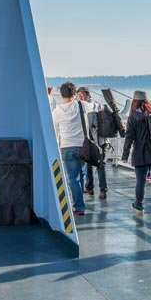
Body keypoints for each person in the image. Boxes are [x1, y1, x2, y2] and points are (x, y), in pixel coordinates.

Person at [121, 90, 151, 223]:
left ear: (134, 101)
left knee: (140, 182)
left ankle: (138, 205)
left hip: (140, 155)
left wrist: (125, 155)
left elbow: (129, 138)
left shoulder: (133, 117)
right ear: (146, 100)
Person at [52, 81, 92, 216]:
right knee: (81, 174)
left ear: (61, 94)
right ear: (74, 94)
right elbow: (97, 107)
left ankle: (79, 207)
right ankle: (80, 204)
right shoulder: (82, 105)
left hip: (67, 147)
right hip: (82, 147)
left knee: (73, 178)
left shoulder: (56, 111)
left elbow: (54, 131)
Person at [77, 87, 108, 200]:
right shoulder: (96, 105)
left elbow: (90, 126)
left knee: (95, 165)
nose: (80, 97)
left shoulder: (90, 108)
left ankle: (100, 190)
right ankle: (92, 188)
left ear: (88, 95)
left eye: (82, 95)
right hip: (99, 141)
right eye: (79, 95)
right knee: (92, 165)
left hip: (94, 142)